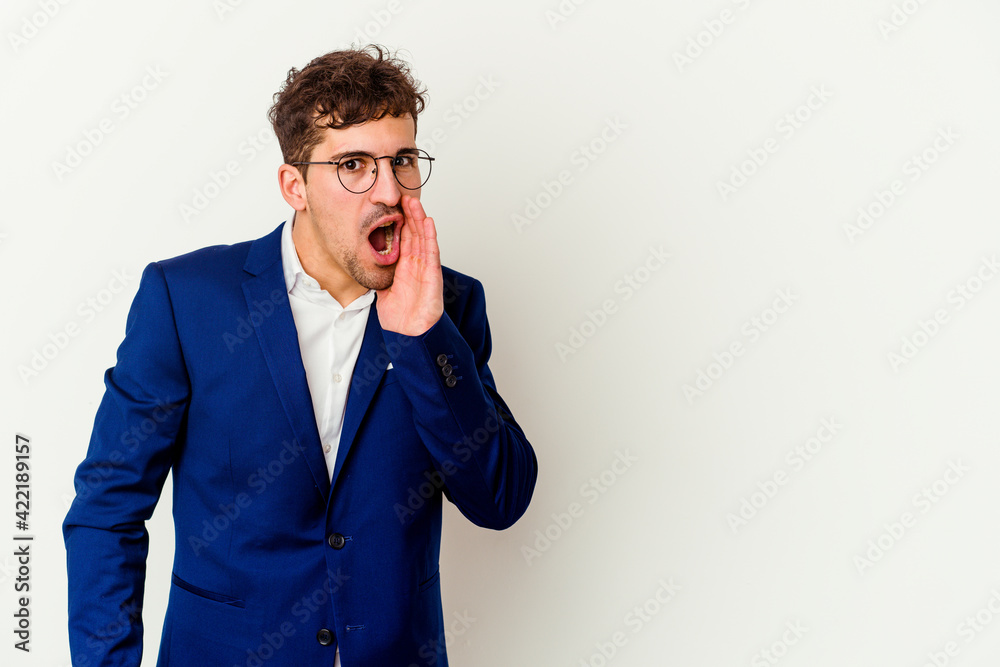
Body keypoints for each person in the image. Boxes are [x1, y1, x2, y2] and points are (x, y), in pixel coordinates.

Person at [62, 44, 538, 667]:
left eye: (402, 161)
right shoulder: (186, 300)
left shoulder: (450, 306)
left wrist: (424, 338)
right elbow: (107, 510)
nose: (389, 191)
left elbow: (500, 500)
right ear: (296, 187)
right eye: (354, 165)